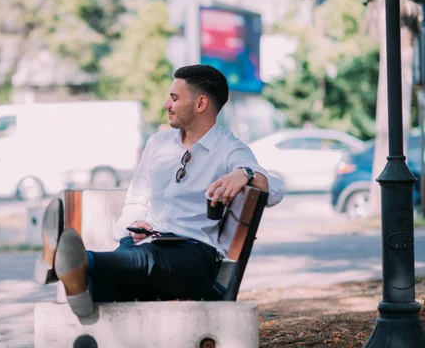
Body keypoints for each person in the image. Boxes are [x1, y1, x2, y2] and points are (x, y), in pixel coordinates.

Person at [33, 64, 284, 317]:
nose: (166, 104)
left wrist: (245, 173)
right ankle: (78, 282)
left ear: (200, 104)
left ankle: (70, 265)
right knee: (128, 264)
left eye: (174, 98)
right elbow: (136, 199)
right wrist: (135, 224)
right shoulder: (157, 144)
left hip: (193, 257)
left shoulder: (229, 149)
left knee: (143, 262)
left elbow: (275, 189)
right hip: (144, 244)